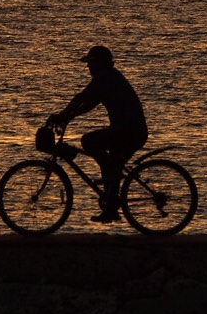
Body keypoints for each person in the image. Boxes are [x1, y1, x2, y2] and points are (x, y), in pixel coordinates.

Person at [49, 45, 148, 223]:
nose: (88, 68)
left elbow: (81, 97)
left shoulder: (105, 76)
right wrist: (69, 117)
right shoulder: (109, 77)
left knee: (89, 141)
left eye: (91, 63)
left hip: (129, 132)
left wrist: (62, 115)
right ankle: (111, 209)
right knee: (113, 167)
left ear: (100, 63)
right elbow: (88, 105)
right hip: (130, 131)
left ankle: (109, 178)